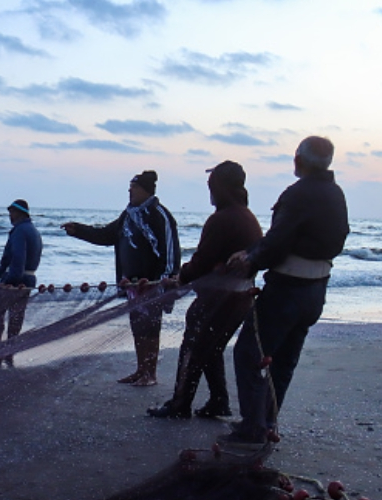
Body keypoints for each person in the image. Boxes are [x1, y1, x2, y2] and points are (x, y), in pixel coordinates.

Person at [222, 136, 349, 446]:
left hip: (288, 290)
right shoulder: (335, 194)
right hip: (317, 290)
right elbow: (337, 238)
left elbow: (278, 241)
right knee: (284, 361)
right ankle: (266, 422)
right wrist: (256, 252)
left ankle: (253, 428)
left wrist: (250, 258)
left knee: (249, 353)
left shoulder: (298, 194)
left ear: (299, 160)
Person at [147, 161, 263, 419]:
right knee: (212, 347)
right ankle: (218, 400)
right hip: (241, 296)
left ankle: (179, 404)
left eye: (212, 186)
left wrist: (180, 277)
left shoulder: (222, 219)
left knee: (194, 345)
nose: (209, 191)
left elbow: (202, 262)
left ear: (223, 187)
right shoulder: (245, 215)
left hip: (221, 299)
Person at [61, 171, 180, 386]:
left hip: (152, 284)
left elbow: (170, 251)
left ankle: (150, 374)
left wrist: (165, 280)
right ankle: (140, 369)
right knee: (137, 325)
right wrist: (78, 230)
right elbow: (107, 235)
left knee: (151, 328)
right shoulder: (128, 215)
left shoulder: (159, 215)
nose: (129, 191)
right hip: (132, 283)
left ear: (145, 190)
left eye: (133, 187)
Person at [0, 199, 43, 368]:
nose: (10, 216)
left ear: (19, 213)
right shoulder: (33, 231)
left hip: (16, 280)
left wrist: (8, 281)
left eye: (12, 213)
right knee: (16, 316)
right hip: (29, 279)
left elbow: (16, 259)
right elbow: (8, 261)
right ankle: (9, 352)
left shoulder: (19, 231)